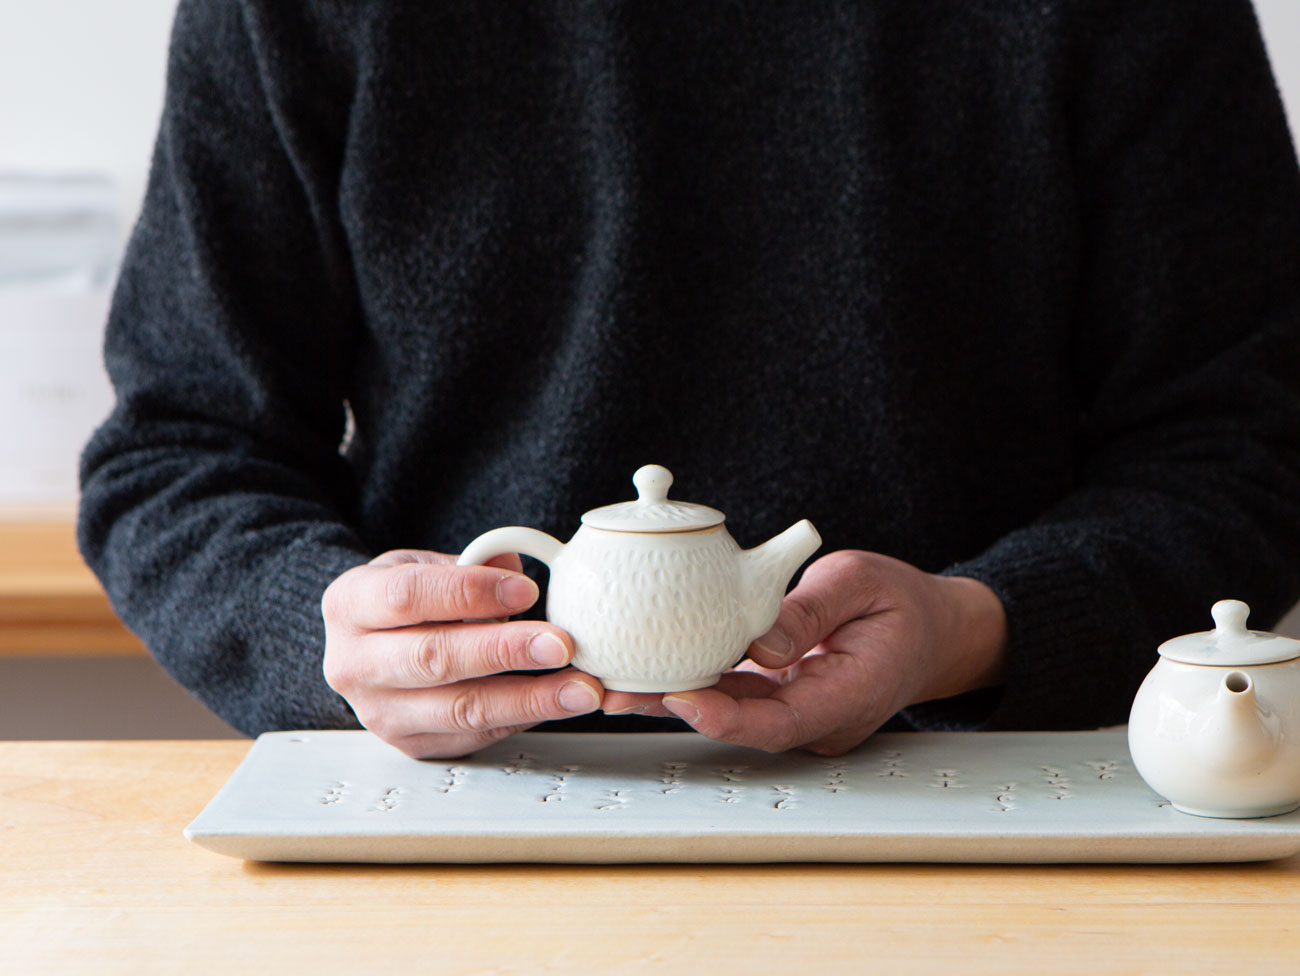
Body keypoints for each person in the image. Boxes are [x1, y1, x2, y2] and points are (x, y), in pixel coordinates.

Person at [79, 0, 1300, 760]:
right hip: (459, 802)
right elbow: (182, 448)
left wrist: (970, 630)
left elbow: (1245, 445)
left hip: (980, 782)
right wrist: (326, 628)